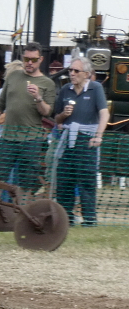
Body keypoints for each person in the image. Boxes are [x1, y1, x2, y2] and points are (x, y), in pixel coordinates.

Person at [0, 42, 55, 202]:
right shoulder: (13, 77)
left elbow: (47, 112)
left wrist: (38, 98)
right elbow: (0, 104)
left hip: (31, 139)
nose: (29, 63)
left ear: (41, 59)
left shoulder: (47, 83)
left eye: (33, 59)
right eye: (26, 59)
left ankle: (22, 213)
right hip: (8, 138)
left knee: (27, 182)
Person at [52, 56, 109, 227]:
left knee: (86, 180)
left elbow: (104, 113)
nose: (72, 74)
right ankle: (65, 220)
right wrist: (64, 115)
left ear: (86, 74)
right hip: (67, 140)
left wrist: (98, 135)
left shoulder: (96, 88)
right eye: (70, 70)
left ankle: (89, 221)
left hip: (87, 140)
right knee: (64, 180)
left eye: (76, 71)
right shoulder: (65, 90)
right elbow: (57, 118)